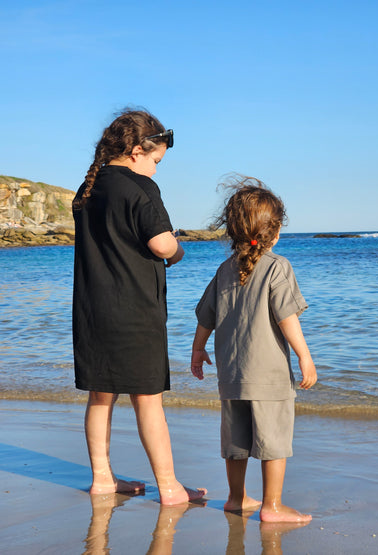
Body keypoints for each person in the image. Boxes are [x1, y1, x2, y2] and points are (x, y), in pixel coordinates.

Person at [72, 108, 206, 504]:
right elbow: (162, 244)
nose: (156, 170)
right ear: (135, 152)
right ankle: (169, 488)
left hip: (92, 310)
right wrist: (178, 251)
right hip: (133, 310)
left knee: (100, 397)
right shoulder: (140, 187)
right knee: (148, 401)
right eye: (156, 161)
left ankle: (102, 480)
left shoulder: (88, 187)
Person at [191, 176, 317, 522]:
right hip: (269, 377)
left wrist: (197, 351)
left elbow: (206, 317)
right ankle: (272, 507)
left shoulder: (224, 269)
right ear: (274, 233)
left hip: (231, 376)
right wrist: (305, 356)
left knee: (237, 442)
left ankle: (236, 499)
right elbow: (287, 317)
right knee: (273, 441)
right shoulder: (278, 266)